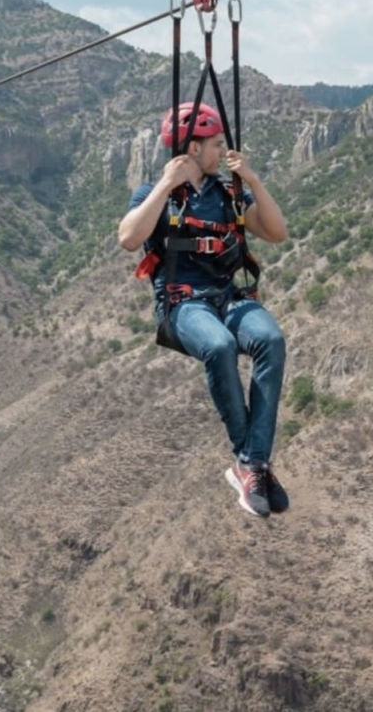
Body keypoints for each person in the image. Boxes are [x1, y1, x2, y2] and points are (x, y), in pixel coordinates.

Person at [118, 102, 289, 518]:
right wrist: (166, 184)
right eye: (215, 144)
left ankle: (252, 463)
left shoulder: (228, 192)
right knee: (219, 346)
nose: (222, 152)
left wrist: (253, 180)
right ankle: (250, 460)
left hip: (227, 296)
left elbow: (277, 232)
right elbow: (129, 238)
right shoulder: (156, 193)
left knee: (270, 339)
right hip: (182, 303)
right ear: (193, 148)